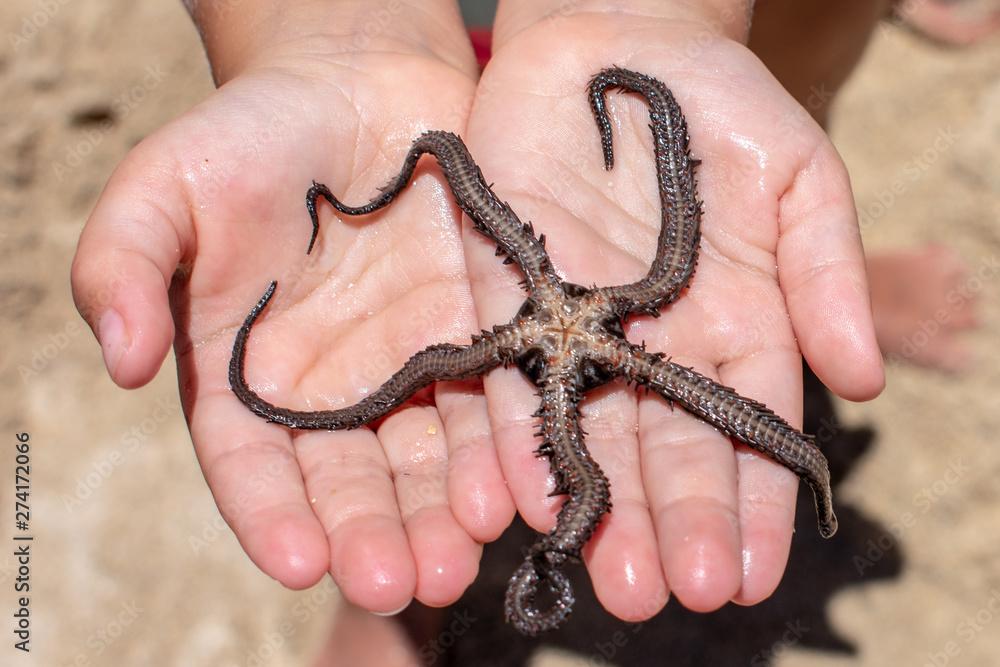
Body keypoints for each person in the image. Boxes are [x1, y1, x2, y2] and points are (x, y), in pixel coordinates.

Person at [74, 0, 989, 662]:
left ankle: (807, 267)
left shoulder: (579, 311)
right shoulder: (598, 318)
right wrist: (324, 32)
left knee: (769, 92)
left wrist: (666, 23)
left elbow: (659, 148)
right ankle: (402, 606)